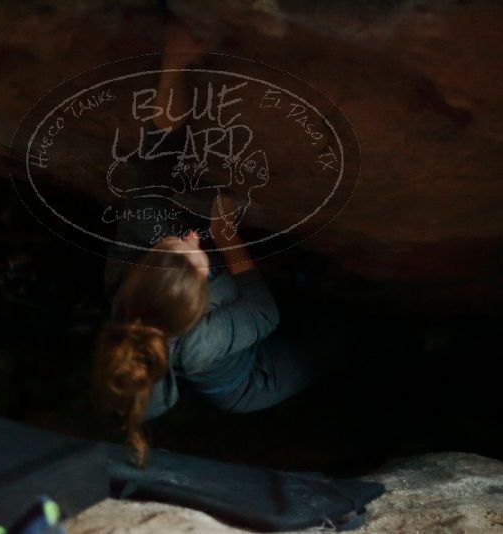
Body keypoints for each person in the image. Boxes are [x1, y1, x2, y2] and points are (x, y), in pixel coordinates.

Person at [91, 14, 323, 468]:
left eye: (174, 243)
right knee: (338, 346)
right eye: (196, 256)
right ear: (201, 304)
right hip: (253, 378)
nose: (190, 235)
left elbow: (158, 155)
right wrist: (225, 236)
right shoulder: (200, 344)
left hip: (231, 333)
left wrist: (174, 64)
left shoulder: (133, 252)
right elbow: (263, 310)